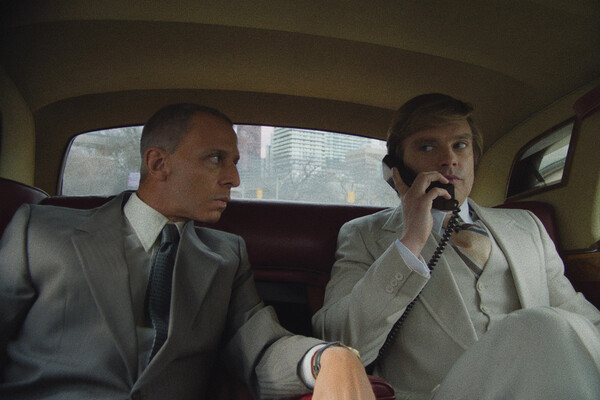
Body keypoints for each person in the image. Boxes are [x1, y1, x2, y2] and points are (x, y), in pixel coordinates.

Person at [0, 103, 375, 400]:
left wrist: (327, 357)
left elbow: (261, 347)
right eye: (215, 158)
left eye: (234, 162)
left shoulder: (227, 256)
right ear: (158, 164)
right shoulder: (40, 230)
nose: (234, 178)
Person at [312, 93, 600, 399]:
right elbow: (340, 341)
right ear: (395, 168)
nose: (449, 159)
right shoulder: (364, 235)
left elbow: (583, 324)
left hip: (540, 387)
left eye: (460, 145)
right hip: (440, 393)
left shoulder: (527, 226)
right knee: (543, 325)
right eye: (427, 147)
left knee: (554, 326)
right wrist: (410, 243)